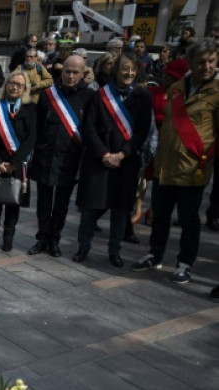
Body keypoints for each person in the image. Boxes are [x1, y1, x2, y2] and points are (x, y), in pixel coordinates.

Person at [131, 39, 218, 284]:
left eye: (212, 61)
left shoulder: (217, 93)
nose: (207, 66)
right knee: (160, 215)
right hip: (165, 166)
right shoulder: (177, 88)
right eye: (201, 62)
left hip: (193, 169)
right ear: (190, 63)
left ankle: (184, 263)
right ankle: (154, 253)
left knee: (189, 220)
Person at [74, 53, 152, 267]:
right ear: (116, 70)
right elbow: (88, 128)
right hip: (98, 160)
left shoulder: (143, 96)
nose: (128, 73)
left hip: (125, 162)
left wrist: (122, 154)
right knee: (91, 208)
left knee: (120, 209)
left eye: (133, 69)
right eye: (124, 68)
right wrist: (105, 154)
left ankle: (114, 250)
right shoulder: (100, 96)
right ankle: (83, 247)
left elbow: (142, 131)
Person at [28, 54, 94, 257]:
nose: (71, 76)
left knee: (61, 204)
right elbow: (36, 126)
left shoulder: (90, 97)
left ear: (83, 74)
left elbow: (90, 129)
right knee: (43, 202)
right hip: (45, 156)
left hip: (70, 159)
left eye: (75, 73)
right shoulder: (48, 94)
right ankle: (42, 238)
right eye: (67, 71)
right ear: (61, 71)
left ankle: (54, 239)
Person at [0, 70, 36, 252]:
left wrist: (14, 162)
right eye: (11, 83)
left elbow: (31, 138)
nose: (14, 87)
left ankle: (9, 236)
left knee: (13, 201)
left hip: (17, 164)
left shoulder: (29, 109)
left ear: (25, 88)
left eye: (19, 85)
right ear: (6, 85)